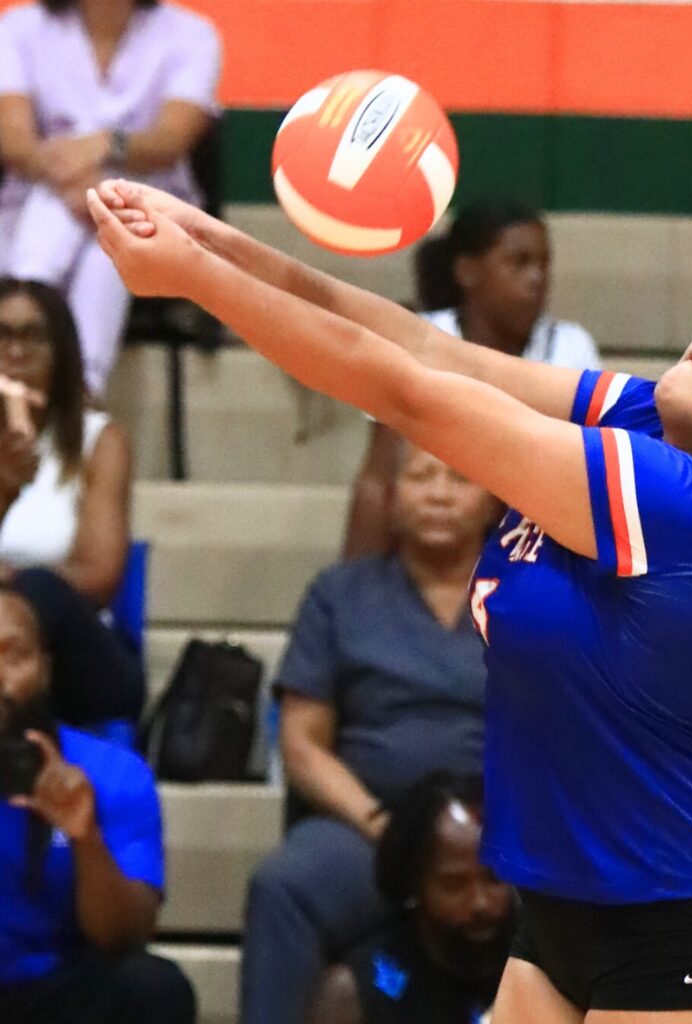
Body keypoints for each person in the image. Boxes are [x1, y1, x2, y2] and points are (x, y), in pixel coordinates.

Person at [89, 179, 692, 1024]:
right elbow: (431, 352)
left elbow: (407, 394)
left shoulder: (688, 504)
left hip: (691, 931)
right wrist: (213, 243)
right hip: (562, 911)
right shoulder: (640, 416)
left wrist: (193, 281)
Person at [242, 444, 499, 1024]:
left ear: (491, 500)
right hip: (369, 828)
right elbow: (302, 744)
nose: (439, 494)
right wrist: (383, 827)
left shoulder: (531, 593)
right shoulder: (339, 596)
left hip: (503, 830)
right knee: (283, 886)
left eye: (460, 478)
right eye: (421, 476)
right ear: (391, 499)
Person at [344, 201, 601, 559]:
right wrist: (355, 585)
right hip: (431, 547)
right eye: (520, 263)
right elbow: (379, 478)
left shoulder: (571, 346)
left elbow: (588, 481)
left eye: (544, 264)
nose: (537, 278)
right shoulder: (419, 339)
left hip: (539, 546)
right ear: (468, 271)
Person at [0, 0, 221, 395]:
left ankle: (26, 354)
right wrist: (84, 185)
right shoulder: (18, 28)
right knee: (82, 226)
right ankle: (82, 397)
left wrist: (106, 145)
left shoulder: (192, 35)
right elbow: (14, 140)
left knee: (111, 242)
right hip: (43, 197)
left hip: (145, 210)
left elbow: (171, 140)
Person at [0, 586, 195, 1023]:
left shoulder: (111, 772)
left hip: (53, 994)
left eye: (14, 656)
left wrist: (87, 838)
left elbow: (126, 935)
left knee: (154, 987)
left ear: (45, 670)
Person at [0, 278, 142, 731]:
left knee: (39, 589)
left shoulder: (99, 441)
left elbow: (99, 576)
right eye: (2, 335)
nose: (15, 351)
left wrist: (10, 580)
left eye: (33, 336)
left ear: (61, 351)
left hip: (76, 656)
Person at [310, 772, 515, 1024]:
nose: (480, 902)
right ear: (413, 883)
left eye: (494, 878)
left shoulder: (541, 967)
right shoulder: (355, 994)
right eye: (453, 884)